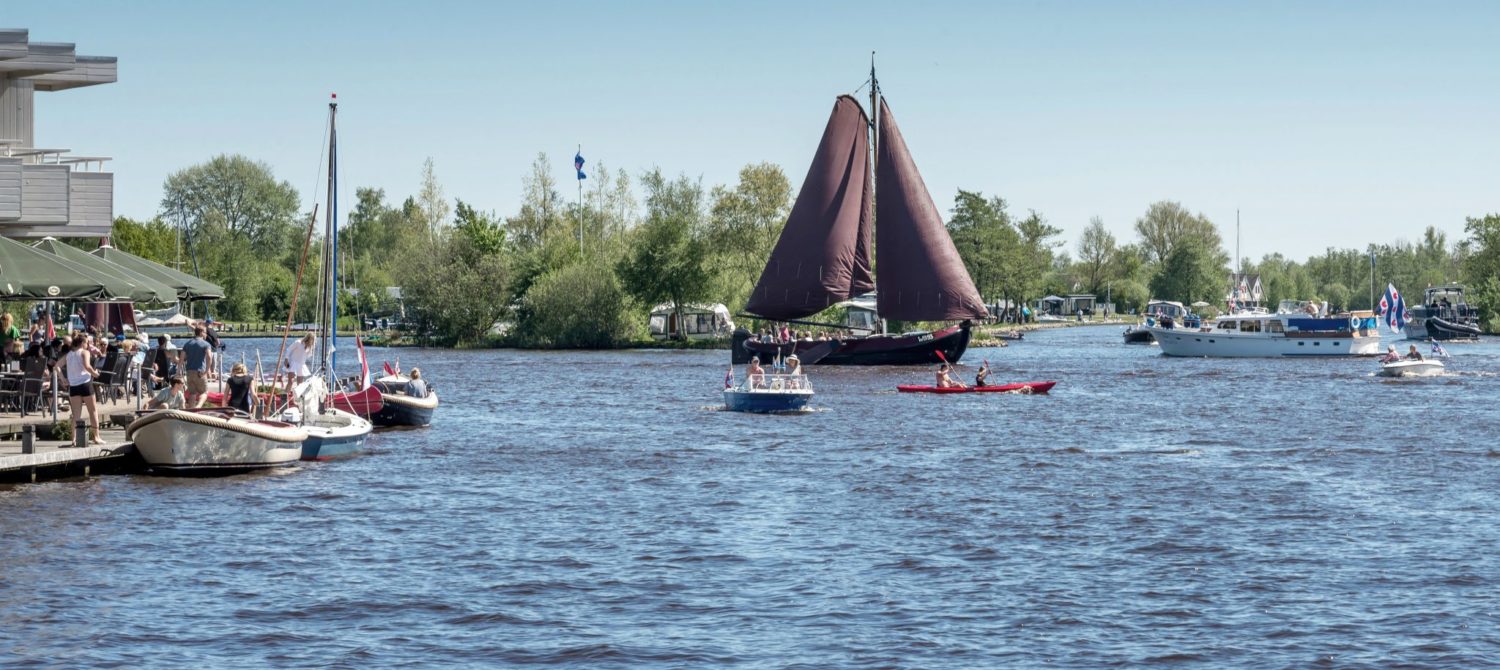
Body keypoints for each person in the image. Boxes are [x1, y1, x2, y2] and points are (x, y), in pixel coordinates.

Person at [63, 333, 104, 445]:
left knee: (76, 414)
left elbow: (56, 366)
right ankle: (96, 437)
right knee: (93, 411)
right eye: (87, 343)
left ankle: (74, 439)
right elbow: (87, 366)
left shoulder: (69, 354)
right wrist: (95, 374)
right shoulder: (85, 352)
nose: (88, 345)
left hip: (74, 386)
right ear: (82, 343)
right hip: (85, 384)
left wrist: (63, 379)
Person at [181, 325, 214, 408]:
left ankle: (192, 410)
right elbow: (209, 356)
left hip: (189, 371)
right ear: (201, 333)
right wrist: (207, 370)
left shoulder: (187, 344)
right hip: (200, 371)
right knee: (204, 392)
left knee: (192, 393)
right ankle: (198, 407)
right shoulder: (206, 344)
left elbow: (181, 358)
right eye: (206, 332)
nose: (206, 334)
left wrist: (178, 371)